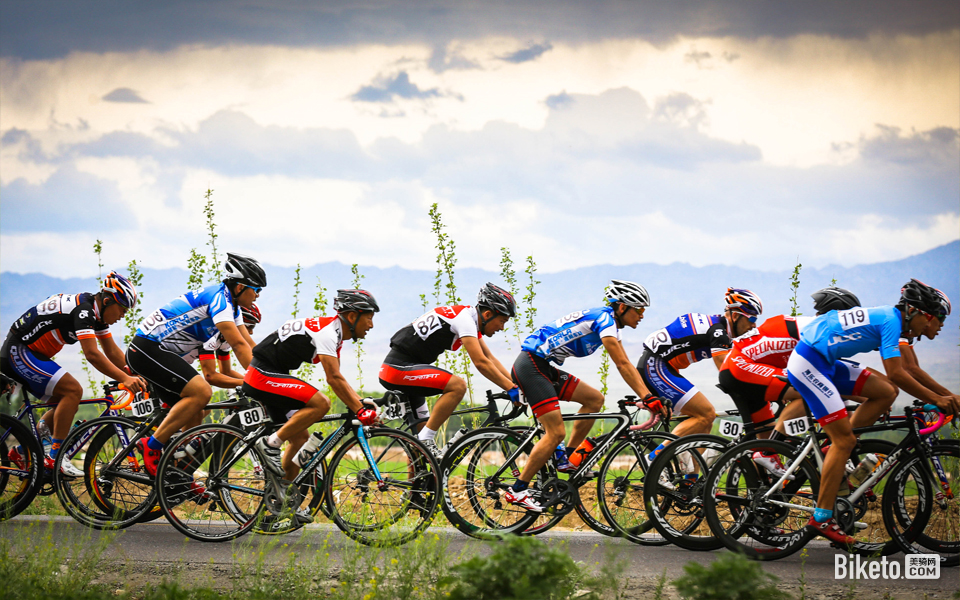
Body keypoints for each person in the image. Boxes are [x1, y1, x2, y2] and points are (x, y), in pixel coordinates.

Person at [786, 278, 960, 545]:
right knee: (845, 440)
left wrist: (945, 397)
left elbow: (909, 369)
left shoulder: (895, 322)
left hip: (825, 361)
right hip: (809, 364)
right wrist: (937, 399)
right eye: (940, 319)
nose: (941, 326)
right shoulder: (890, 321)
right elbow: (897, 372)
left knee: (886, 392)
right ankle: (821, 519)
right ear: (920, 314)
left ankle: (835, 449)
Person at [503, 280, 660, 512]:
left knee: (594, 399)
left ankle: (567, 458)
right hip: (531, 366)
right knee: (556, 432)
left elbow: (625, 363)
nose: (642, 315)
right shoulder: (605, 321)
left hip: (542, 367)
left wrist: (647, 395)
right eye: (639, 310)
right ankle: (518, 490)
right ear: (622, 307)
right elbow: (622, 364)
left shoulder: (608, 322)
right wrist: (647, 397)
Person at [128, 253, 264, 476]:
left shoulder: (233, 307)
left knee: (196, 413)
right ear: (240, 287)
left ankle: (177, 474)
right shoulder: (219, 300)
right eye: (256, 289)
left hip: (161, 352)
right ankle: (151, 446)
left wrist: (269, 372)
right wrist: (260, 381)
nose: (258, 295)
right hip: (148, 348)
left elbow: (249, 344)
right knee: (202, 391)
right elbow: (238, 345)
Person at [0, 271, 145, 475]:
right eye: (122, 309)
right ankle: (55, 458)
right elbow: (92, 354)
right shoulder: (84, 311)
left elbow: (112, 351)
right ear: (106, 301)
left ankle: (22, 452)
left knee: (65, 401)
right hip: (19, 350)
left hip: (33, 353)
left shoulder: (97, 314)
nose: (123, 315)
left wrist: (137, 375)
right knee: (72, 391)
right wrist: (125, 378)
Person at [245, 290, 380, 486]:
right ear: (352, 316)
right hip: (261, 374)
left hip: (272, 373)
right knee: (321, 403)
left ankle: (282, 495)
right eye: (369, 318)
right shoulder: (327, 333)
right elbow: (333, 378)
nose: (371, 325)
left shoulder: (335, 334)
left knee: (300, 439)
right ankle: (269, 444)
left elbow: (339, 378)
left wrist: (360, 402)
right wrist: (360, 410)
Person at [378, 283, 521, 458]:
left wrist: (516, 385)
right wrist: (510, 389)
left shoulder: (468, 318)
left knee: (421, 456)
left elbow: (489, 358)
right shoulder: (465, 320)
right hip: (397, 369)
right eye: (502, 321)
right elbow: (481, 363)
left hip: (406, 369)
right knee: (457, 386)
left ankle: (421, 465)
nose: (502, 328)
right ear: (488, 314)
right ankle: (425, 440)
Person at [637, 288, 759, 466]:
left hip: (662, 366)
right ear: (735, 316)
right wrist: (757, 392)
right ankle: (654, 460)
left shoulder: (720, 329)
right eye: (752, 319)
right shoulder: (718, 332)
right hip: (655, 365)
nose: (754, 325)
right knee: (706, 413)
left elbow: (741, 361)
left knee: (705, 423)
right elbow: (727, 372)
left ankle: (691, 478)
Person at [898, 288, 957, 405]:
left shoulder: (907, 334)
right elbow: (910, 369)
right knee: (888, 391)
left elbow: (915, 372)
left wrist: (934, 399)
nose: (942, 324)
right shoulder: (898, 328)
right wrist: (949, 396)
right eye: (941, 317)